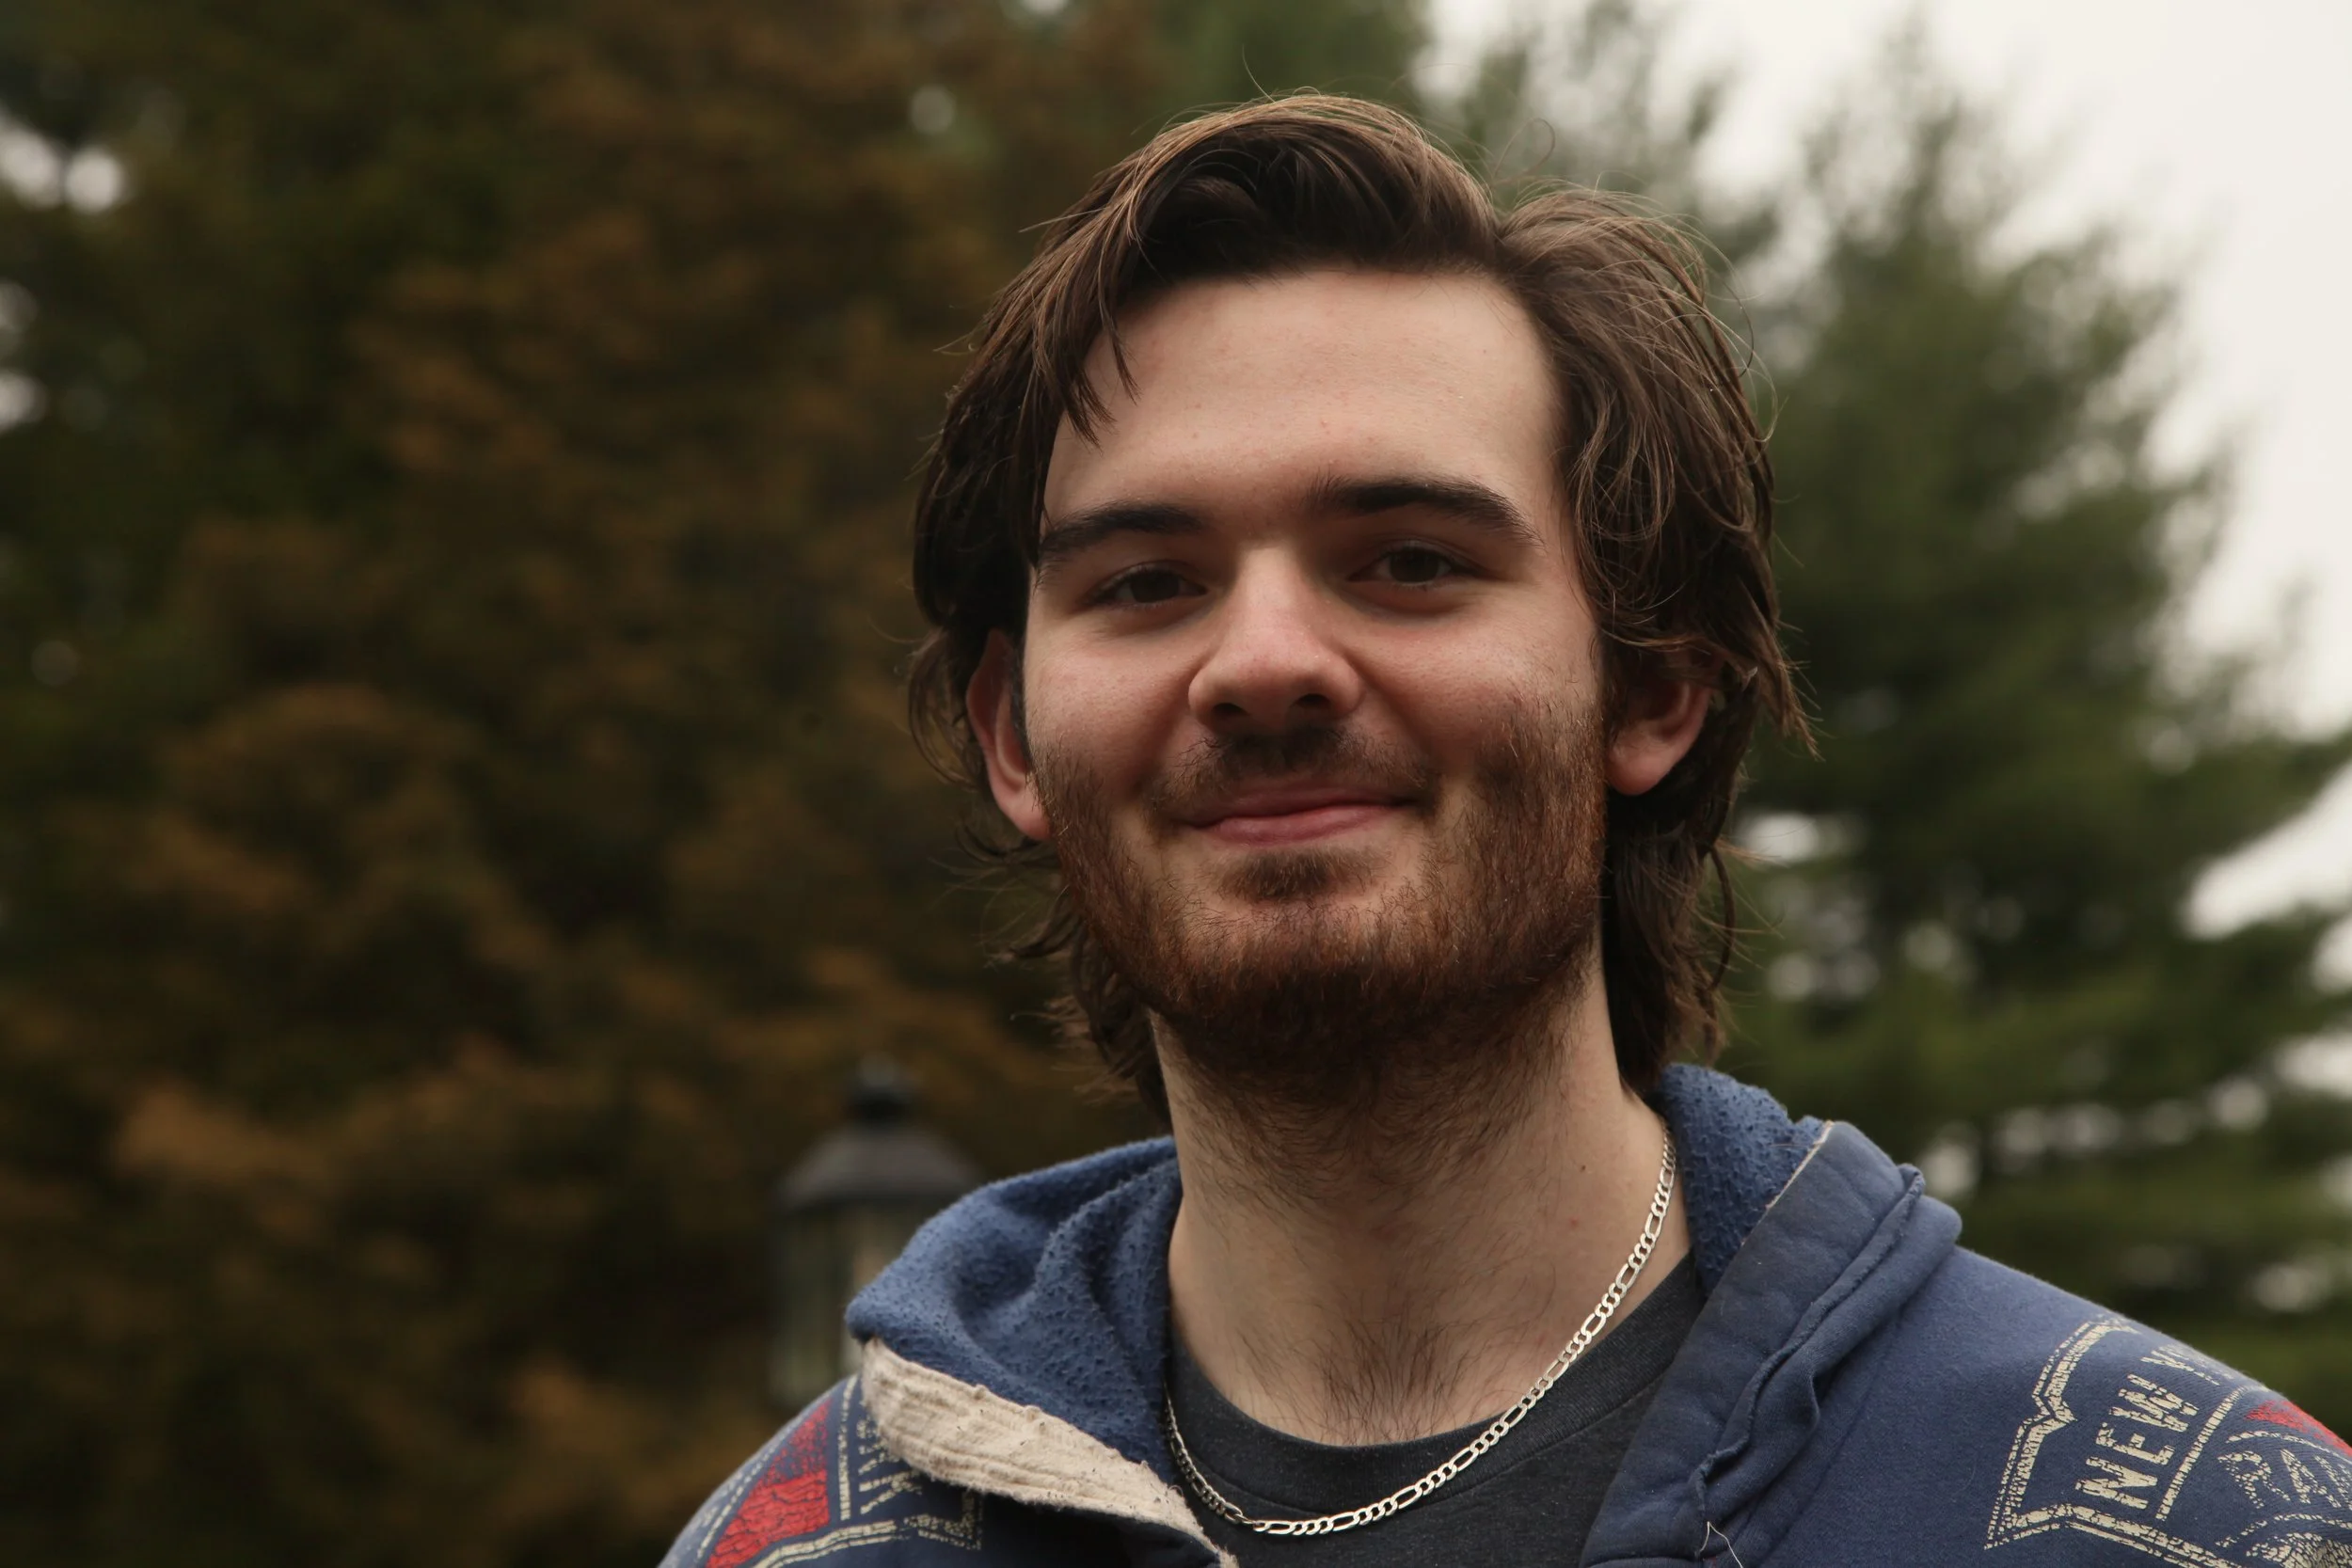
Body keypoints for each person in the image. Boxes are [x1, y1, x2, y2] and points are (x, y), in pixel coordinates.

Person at [661, 96, 2352, 1567]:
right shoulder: (803, 1544)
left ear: (1653, 689)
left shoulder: (2184, 1522)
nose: (1260, 663)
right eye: (1148, 581)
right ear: (1014, 734)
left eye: (1408, 559)